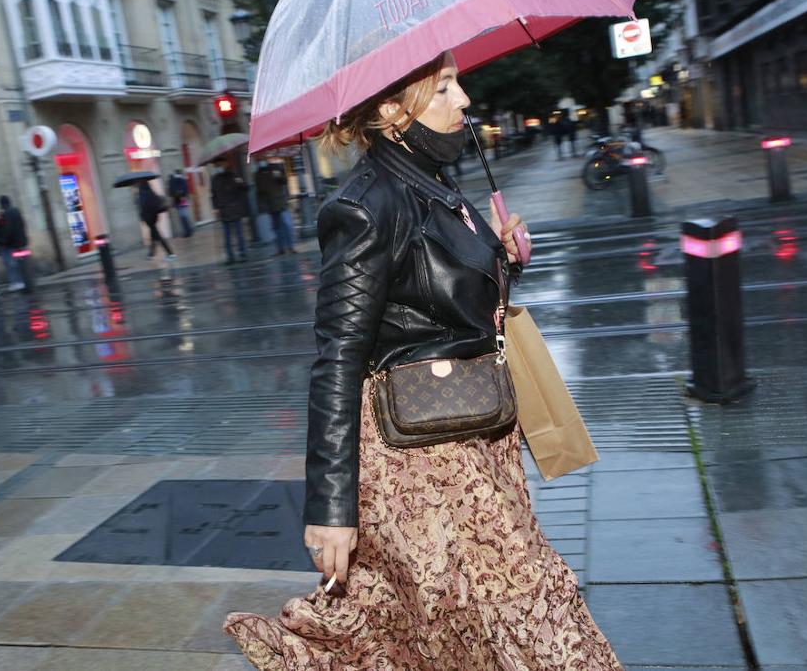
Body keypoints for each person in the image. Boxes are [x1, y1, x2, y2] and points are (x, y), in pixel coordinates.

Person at [224, 52, 621, 669]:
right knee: (533, 616)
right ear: (390, 109)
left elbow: (437, 294)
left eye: (456, 83)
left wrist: (504, 259)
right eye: (442, 88)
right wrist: (331, 509)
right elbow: (336, 360)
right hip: (422, 459)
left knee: (462, 630)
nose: (464, 100)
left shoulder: (433, 180)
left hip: (475, 436)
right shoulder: (365, 207)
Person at [254, 158, 297, 256]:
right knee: (276, 227)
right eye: (259, 158)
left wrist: (280, 174)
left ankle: (290, 247)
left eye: (262, 157)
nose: (260, 160)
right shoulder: (258, 174)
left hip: (280, 203)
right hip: (270, 204)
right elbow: (259, 191)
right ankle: (280, 249)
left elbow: (284, 181)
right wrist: (262, 206)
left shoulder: (275, 168)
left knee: (287, 225)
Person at [211, 159, 249, 264]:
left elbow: (245, 189)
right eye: (217, 165)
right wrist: (215, 208)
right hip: (224, 210)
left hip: (234, 208)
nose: (218, 167)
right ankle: (230, 256)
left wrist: (240, 182)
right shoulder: (215, 179)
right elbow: (214, 195)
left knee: (239, 234)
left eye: (220, 164)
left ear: (226, 164)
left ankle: (242, 254)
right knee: (227, 236)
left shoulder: (233, 176)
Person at [0, 195, 28, 291]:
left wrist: (2, 241)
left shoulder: (5, 214)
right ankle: (23, 281)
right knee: (20, 263)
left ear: (2, 204)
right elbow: (22, 225)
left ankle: (16, 282)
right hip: (20, 241)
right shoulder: (16, 211)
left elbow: (7, 229)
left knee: (11, 264)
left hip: (10, 243)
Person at [137, 181, 177, 262]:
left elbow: (143, 208)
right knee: (153, 235)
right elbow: (155, 204)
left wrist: (142, 217)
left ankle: (171, 254)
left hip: (148, 219)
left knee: (158, 236)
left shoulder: (142, 196)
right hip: (154, 217)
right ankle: (151, 254)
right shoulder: (151, 194)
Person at [167, 169, 194, 237]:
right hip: (182, 200)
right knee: (184, 216)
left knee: (183, 217)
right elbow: (185, 189)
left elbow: (171, 191)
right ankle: (190, 229)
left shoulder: (174, 180)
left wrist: (174, 199)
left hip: (179, 200)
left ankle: (188, 231)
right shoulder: (182, 179)